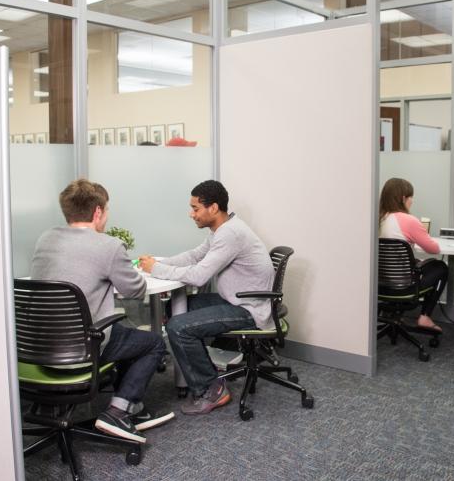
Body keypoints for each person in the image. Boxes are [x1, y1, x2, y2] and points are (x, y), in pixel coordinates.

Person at [30, 179, 173, 443]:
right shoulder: (108, 245)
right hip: (83, 345)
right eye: (106, 211)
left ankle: (133, 407)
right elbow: (135, 291)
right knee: (152, 343)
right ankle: (118, 411)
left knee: (125, 334)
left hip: (37, 344)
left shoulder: (45, 238)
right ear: (98, 212)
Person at [138, 180, 274, 415]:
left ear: (213, 208)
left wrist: (156, 270)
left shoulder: (231, 233)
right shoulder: (223, 229)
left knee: (179, 326)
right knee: (175, 308)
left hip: (248, 308)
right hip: (235, 299)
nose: (191, 214)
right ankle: (206, 371)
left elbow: (199, 276)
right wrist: (159, 263)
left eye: (195, 208)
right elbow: (195, 256)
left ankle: (211, 389)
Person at [379, 178, 448, 333]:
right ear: (403, 198)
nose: (412, 201)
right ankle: (425, 316)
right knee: (440, 267)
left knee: (414, 262)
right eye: (411, 197)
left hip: (379, 284)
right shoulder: (409, 220)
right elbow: (433, 249)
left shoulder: (376, 218)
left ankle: (390, 311)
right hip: (404, 285)